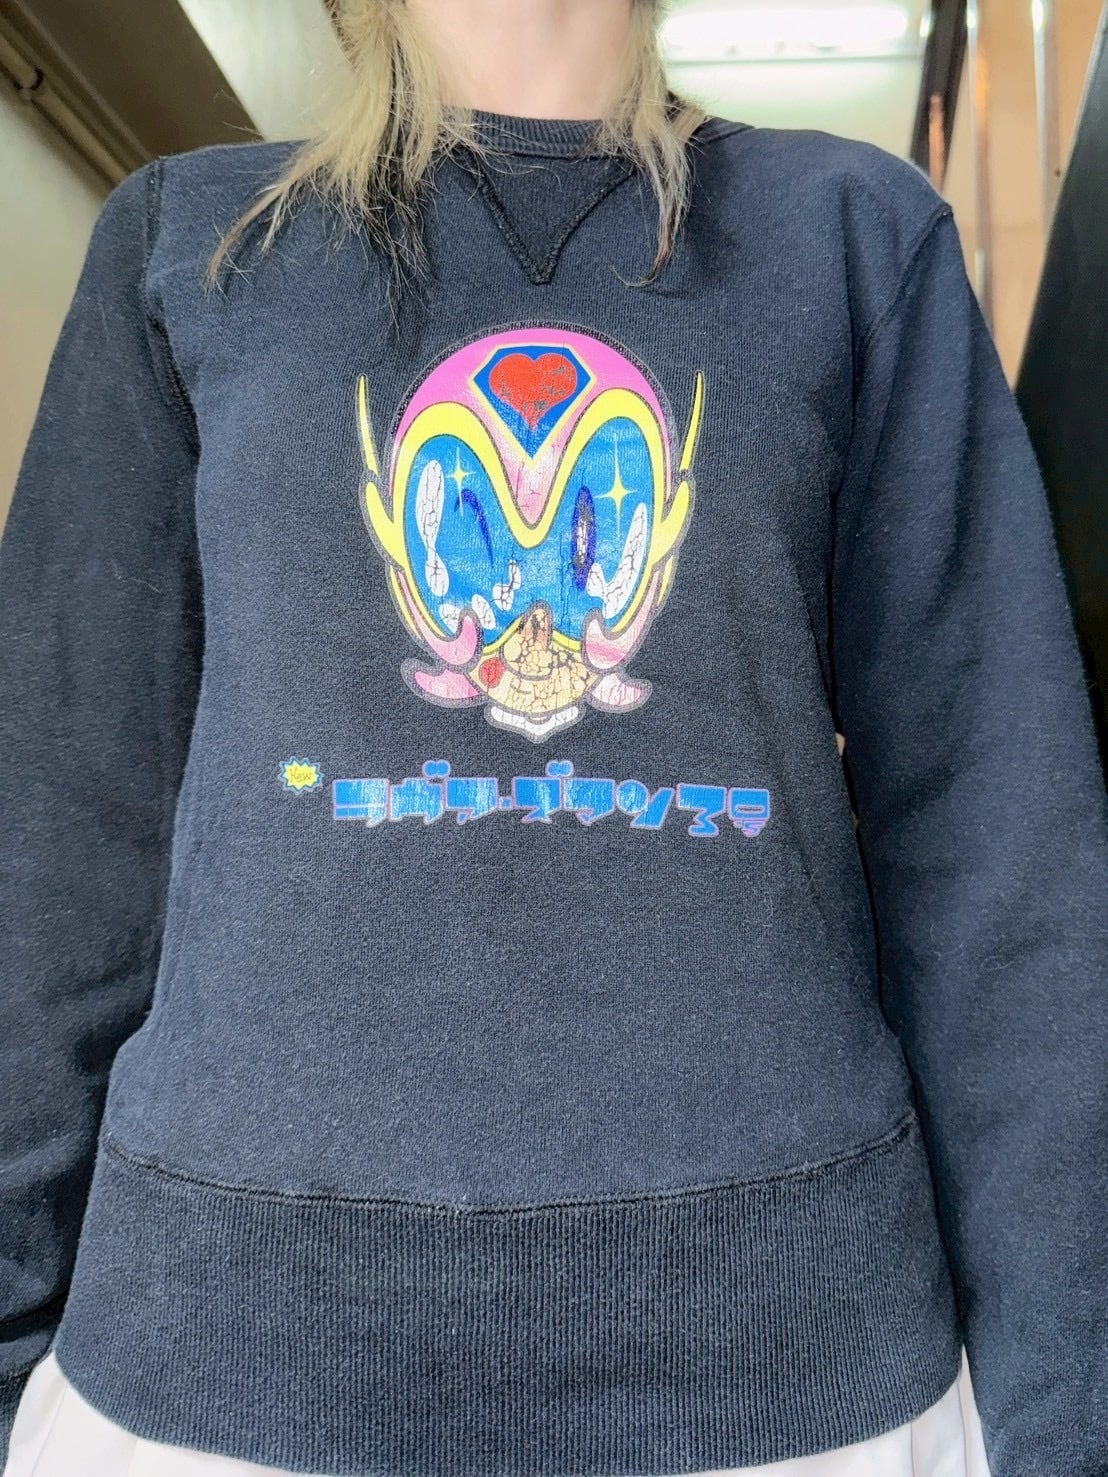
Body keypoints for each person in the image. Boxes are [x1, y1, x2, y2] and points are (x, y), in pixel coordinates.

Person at [1, 0, 1106, 1473]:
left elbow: (998, 857)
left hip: (798, 1363)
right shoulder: (193, 244)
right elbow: (59, 841)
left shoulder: (855, 237)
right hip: (210, 1368)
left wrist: (1064, 1410)